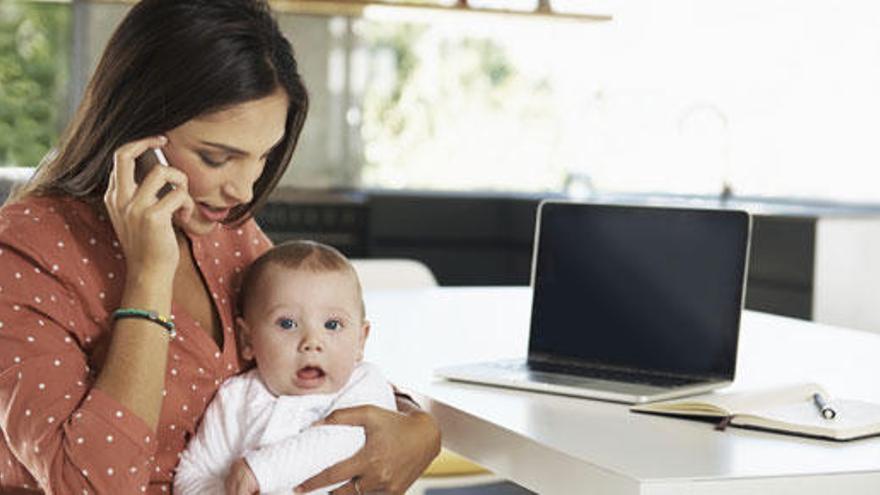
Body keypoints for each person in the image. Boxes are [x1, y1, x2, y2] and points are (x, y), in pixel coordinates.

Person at [0, 1, 440, 493]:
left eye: (263, 156)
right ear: (134, 128)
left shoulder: (226, 229)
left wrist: (416, 426)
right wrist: (148, 279)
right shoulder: (25, 251)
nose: (244, 191)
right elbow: (92, 486)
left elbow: (312, 362)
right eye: (216, 157)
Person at [174, 240, 396, 495]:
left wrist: (261, 471)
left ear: (360, 340)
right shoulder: (236, 397)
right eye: (288, 324)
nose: (312, 342)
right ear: (248, 340)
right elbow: (194, 472)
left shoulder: (365, 384)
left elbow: (348, 439)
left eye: (332, 325)